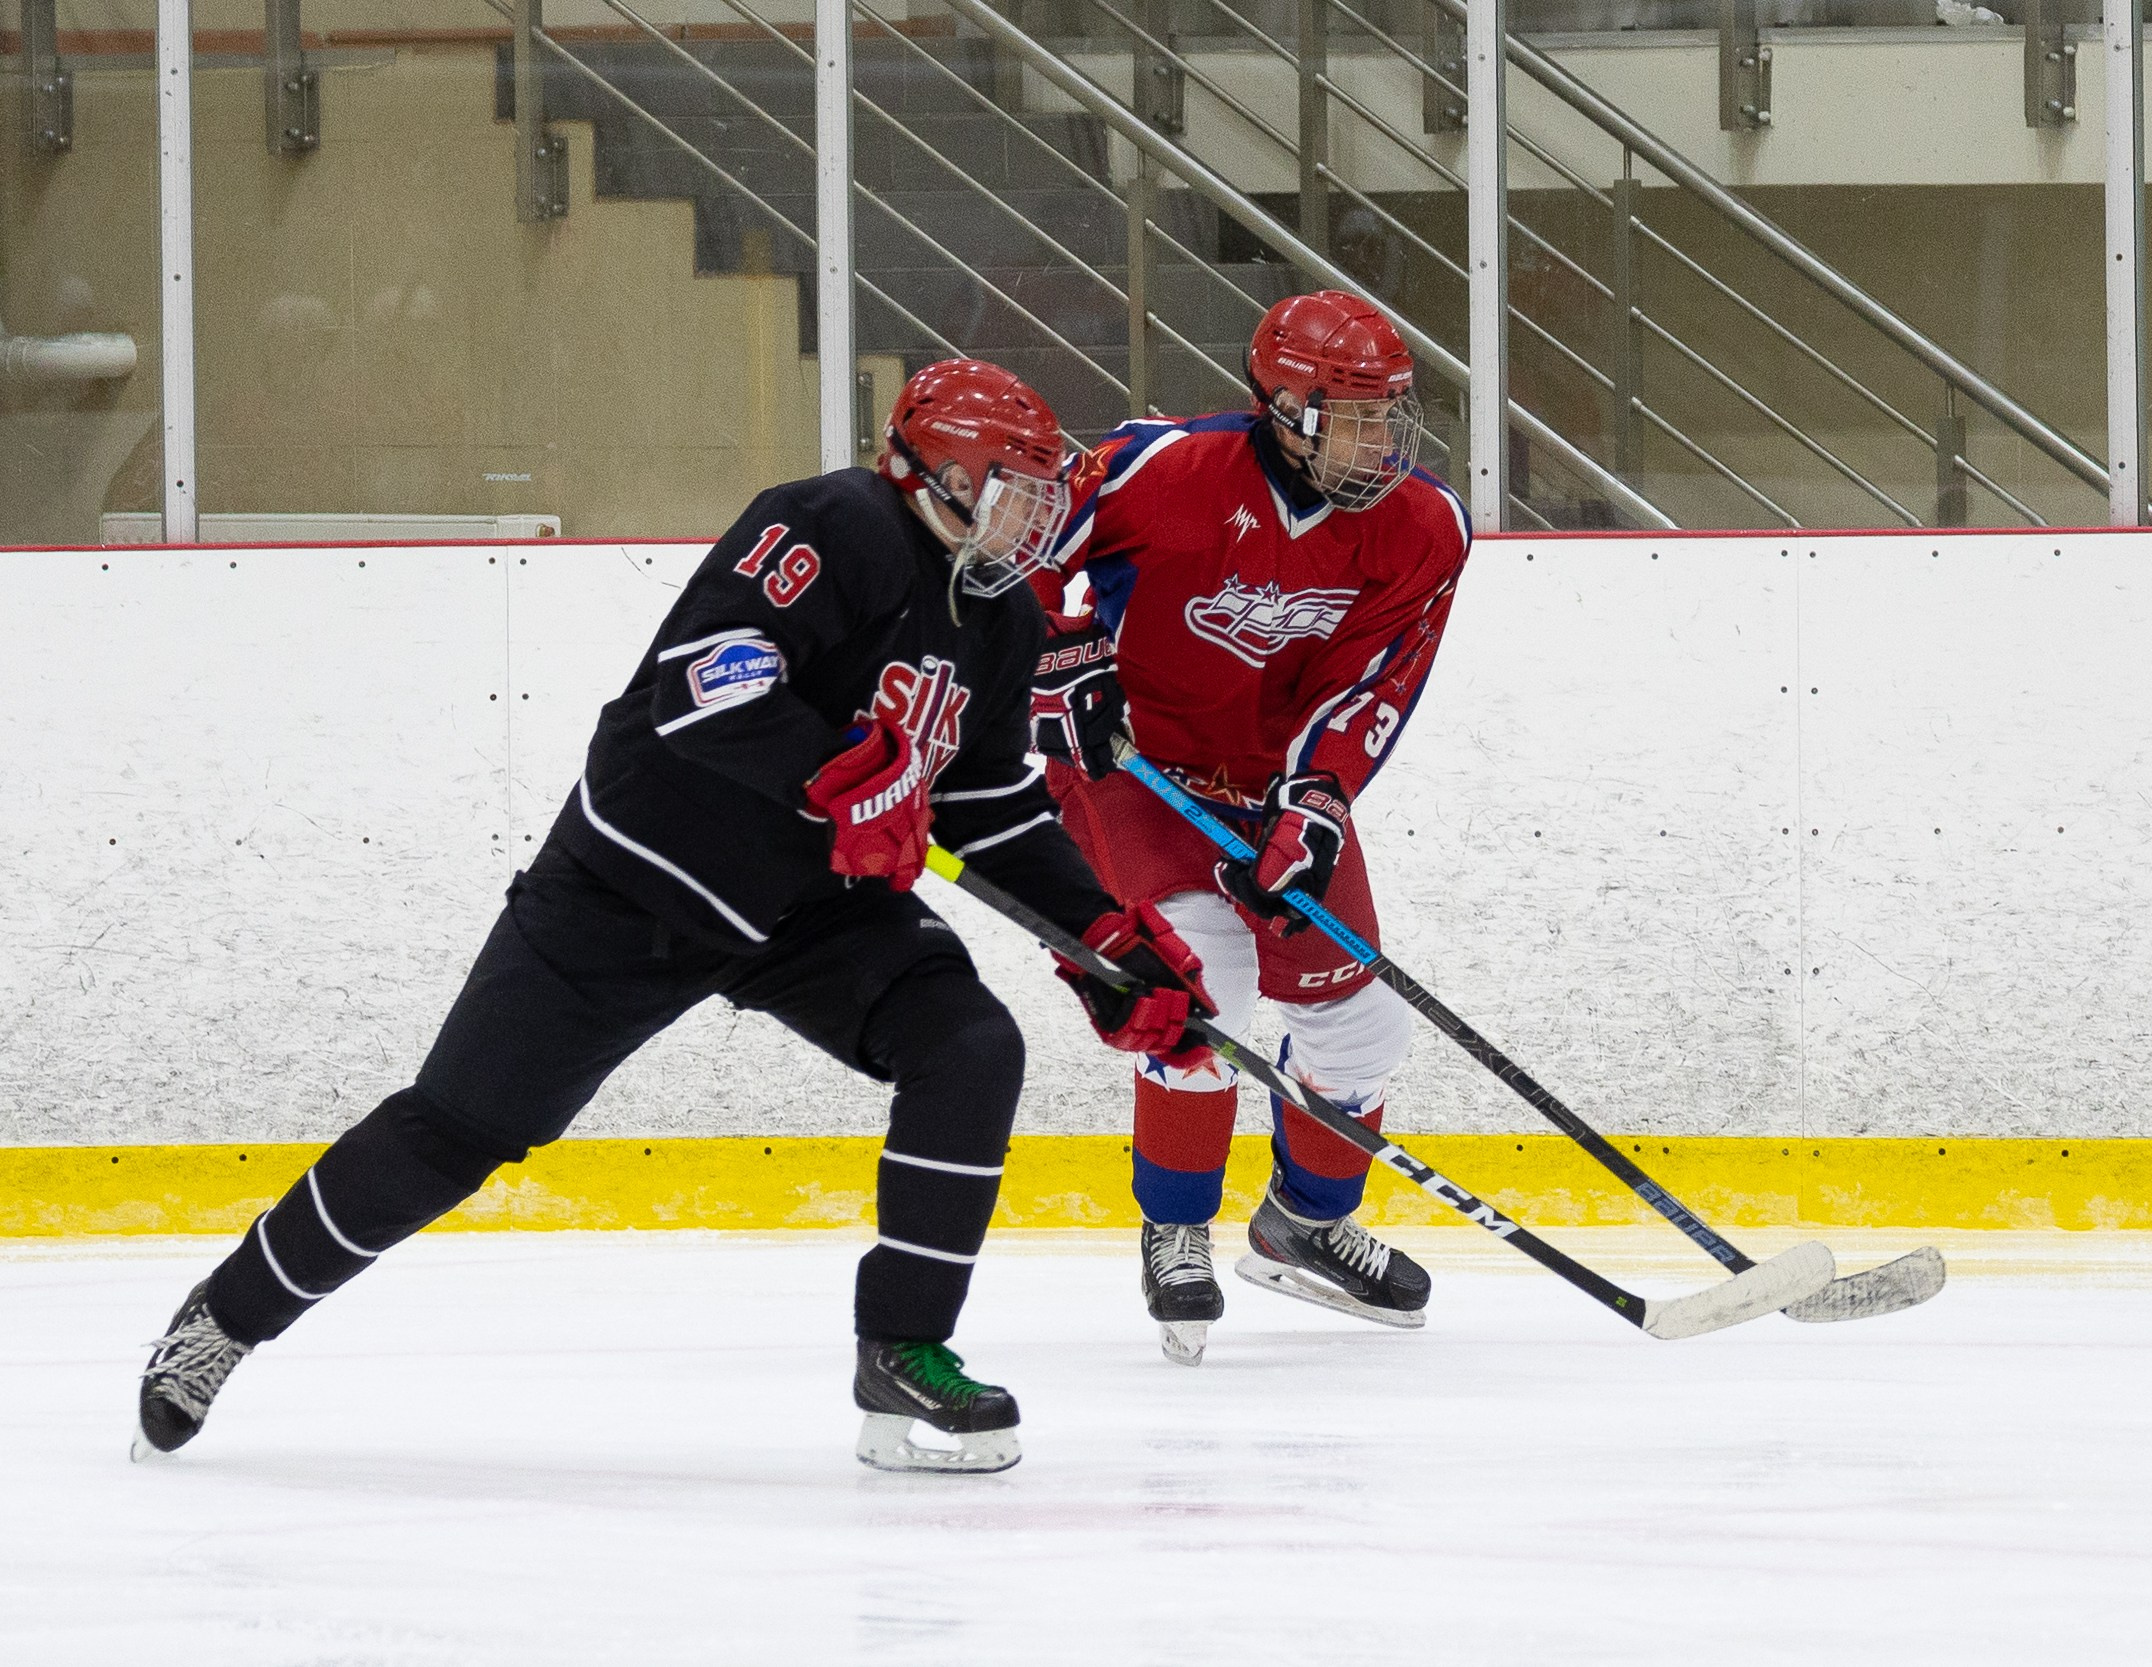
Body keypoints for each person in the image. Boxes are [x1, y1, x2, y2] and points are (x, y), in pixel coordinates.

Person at [133, 360, 1216, 1475]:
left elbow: (989, 803)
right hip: (638, 883)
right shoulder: (830, 521)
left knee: (971, 1044)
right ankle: (225, 1317)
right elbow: (709, 677)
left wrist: (1102, 936)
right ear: (943, 471)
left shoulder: (996, 618)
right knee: (454, 1129)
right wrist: (834, 774)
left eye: (1047, 494)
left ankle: (904, 1343)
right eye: (1018, 488)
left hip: (815, 907)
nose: (1039, 520)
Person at [1025, 290, 1471, 1366]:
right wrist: (1052, 651)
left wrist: (1318, 797)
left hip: (1273, 787)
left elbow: (1377, 681)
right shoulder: (1158, 468)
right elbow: (1022, 548)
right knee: (1199, 995)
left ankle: (1303, 1226)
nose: (1381, 440)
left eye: (1390, 414)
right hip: (1132, 771)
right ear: (1281, 405)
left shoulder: (1424, 526)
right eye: (1355, 415)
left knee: (1363, 1032)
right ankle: (1176, 1221)